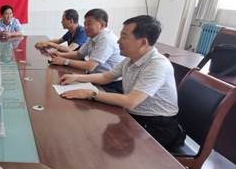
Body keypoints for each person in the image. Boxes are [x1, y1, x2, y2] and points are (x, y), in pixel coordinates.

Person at [59, 15, 186, 150]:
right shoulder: (131, 58)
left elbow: (131, 101)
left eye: (124, 37)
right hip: (135, 117)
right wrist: (76, 77)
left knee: (96, 142)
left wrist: (90, 94)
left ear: (143, 42)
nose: (118, 41)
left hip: (157, 126)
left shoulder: (157, 65)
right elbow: (106, 77)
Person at [48, 8, 124, 93]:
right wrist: (60, 55)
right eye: (85, 24)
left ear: (102, 25)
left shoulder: (106, 39)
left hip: (111, 84)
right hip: (96, 77)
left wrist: (65, 61)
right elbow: (79, 54)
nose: (86, 27)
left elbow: (90, 66)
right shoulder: (92, 36)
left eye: (89, 24)